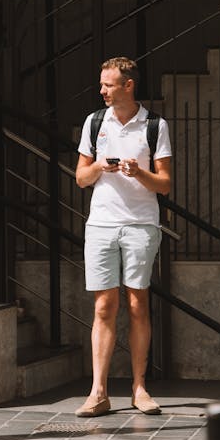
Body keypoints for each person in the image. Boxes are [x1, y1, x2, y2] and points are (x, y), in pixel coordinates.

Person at [74, 56, 172, 417]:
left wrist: (138, 172)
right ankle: (98, 392)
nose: (101, 90)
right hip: (101, 223)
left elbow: (164, 184)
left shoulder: (154, 126)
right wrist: (100, 165)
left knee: (137, 304)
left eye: (108, 84)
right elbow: (81, 178)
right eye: (102, 84)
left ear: (128, 86)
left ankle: (139, 388)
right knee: (103, 306)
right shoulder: (94, 122)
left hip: (140, 223)